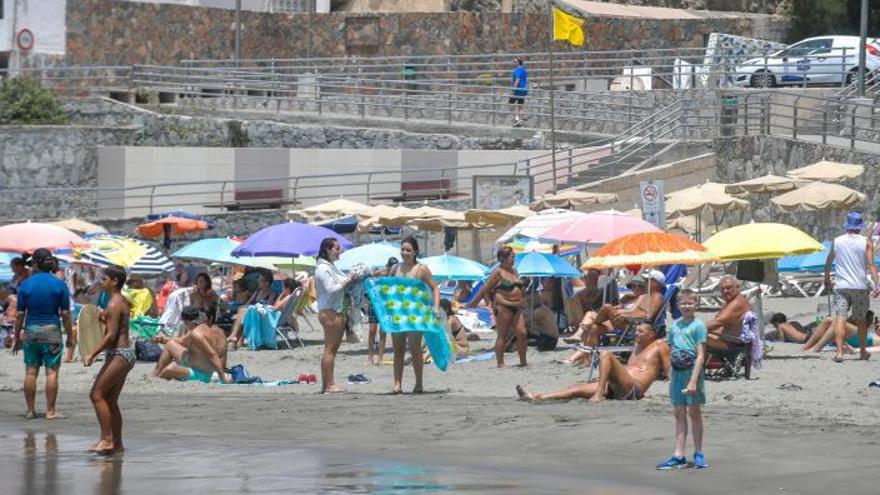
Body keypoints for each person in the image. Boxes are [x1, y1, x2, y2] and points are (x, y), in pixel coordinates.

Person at [516, 322, 670, 402]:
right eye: (635, 331)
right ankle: (537, 397)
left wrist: (676, 390)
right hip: (618, 387)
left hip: (633, 390)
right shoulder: (637, 346)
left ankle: (599, 392)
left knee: (606, 354)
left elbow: (668, 370)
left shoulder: (659, 345)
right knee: (575, 389)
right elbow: (631, 369)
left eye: (640, 331)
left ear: (652, 333)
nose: (636, 333)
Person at [12, 249, 74, 420]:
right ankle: (50, 411)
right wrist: (70, 336)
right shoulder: (60, 284)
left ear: (35, 263)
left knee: (31, 372)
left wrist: (17, 337)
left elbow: (19, 315)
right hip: (52, 331)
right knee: (52, 372)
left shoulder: (25, 285)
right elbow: (66, 314)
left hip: (31, 331)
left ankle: (30, 411)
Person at [84, 265, 134, 455]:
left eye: (104, 279)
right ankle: (117, 445)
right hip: (124, 354)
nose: (100, 282)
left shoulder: (114, 303)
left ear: (114, 281)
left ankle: (106, 440)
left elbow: (111, 336)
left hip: (120, 354)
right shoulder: (118, 300)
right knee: (110, 400)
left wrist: (91, 353)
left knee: (96, 395)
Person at [657, 289, 707, 470]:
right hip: (677, 374)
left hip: (692, 373)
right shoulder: (674, 326)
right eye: (683, 303)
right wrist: (670, 376)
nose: (686, 306)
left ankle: (699, 452)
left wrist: (693, 380)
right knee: (679, 414)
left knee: (695, 413)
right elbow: (671, 352)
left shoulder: (698, 326)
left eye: (690, 303)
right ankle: (679, 454)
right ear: (677, 306)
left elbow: (701, 356)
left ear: (696, 305)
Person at [824, 211, 880, 362]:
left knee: (840, 318)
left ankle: (839, 352)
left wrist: (827, 278)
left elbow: (829, 260)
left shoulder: (837, 241)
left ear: (847, 225)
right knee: (861, 319)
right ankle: (862, 351)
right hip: (860, 286)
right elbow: (871, 264)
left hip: (841, 286)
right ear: (860, 227)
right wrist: (877, 284)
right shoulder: (866, 242)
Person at [389, 236, 440, 393]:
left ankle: (418, 383)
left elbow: (435, 288)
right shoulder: (395, 269)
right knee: (398, 350)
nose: (405, 252)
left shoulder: (421, 269)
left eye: (408, 250)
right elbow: (387, 289)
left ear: (415, 251)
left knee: (415, 349)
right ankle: (397, 384)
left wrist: (436, 308)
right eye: (403, 249)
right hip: (398, 313)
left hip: (416, 314)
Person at [469, 246, 528, 367]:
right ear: (503, 258)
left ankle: (523, 362)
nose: (513, 260)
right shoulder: (498, 272)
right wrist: (488, 304)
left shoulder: (514, 271)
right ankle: (500, 363)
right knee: (503, 335)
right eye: (512, 257)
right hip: (503, 306)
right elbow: (485, 289)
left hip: (517, 306)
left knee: (522, 333)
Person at [578, 271, 664, 347]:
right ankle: (589, 358)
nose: (645, 282)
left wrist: (628, 316)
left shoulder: (657, 297)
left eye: (648, 280)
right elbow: (638, 311)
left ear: (655, 283)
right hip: (628, 322)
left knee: (607, 307)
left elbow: (648, 315)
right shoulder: (648, 296)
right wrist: (627, 313)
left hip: (631, 325)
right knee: (594, 328)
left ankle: (587, 325)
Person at [315, 237, 356, 394]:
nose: (340, 251)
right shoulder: (323, 269)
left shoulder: (328, 267)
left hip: (333, 310)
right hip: (330, 311)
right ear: (328, 250)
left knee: (330, 349)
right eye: (337, 249)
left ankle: (326, 384)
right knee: (330, 349)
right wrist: (348, 280)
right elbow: (332, 288)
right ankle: (330, 384)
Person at [152, 304, 230, 384]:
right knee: (170, 344)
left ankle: (156, 377)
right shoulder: (219, 331)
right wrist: (161, 339)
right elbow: (182, 341)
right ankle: (155, 375)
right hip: (209, 366)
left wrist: (222, 378)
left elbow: (213, 355)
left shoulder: (197, 334)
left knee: (169, 370)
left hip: (208, 373)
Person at [227, 271, 277, 349]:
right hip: (252, 314)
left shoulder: (272, 294)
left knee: (242, 314)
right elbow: (248, 303)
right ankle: (235, 342)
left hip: (263, 316)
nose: (258, 282)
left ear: (267, 283)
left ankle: (235, 338)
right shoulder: (257, 292)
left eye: (260, 280)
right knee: (242, 312)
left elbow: (268, 308)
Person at [705, 275, 752, 352]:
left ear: (737, 287)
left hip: (735, 345)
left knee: (697, 339)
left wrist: (692, 330)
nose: (725, 291)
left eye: (728, 288)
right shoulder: (730, 301)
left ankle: (699, 363)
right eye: (722, 289)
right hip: (727, 339)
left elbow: (717, 322)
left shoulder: (737, 303)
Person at [367, 257, 398, 366]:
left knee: (383, 331)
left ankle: (380, 357)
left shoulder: (396, 276)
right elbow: (370, 279)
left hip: (386, 306)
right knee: (372, 330)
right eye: (391, 266)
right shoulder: (381, 273)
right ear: (388, 265)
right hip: (375, 304)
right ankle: (370, 356)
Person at [509, 57, 528, 127]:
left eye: (514, 61)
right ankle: (520, 121)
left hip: (517, 90)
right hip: (523, 90)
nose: (513, 63)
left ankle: (517, 119)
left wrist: (513, 89)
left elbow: (517, 80)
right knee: (520, 106)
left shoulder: (517, 70)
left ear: (518, 63)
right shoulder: (524, 69)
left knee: (510, 104)